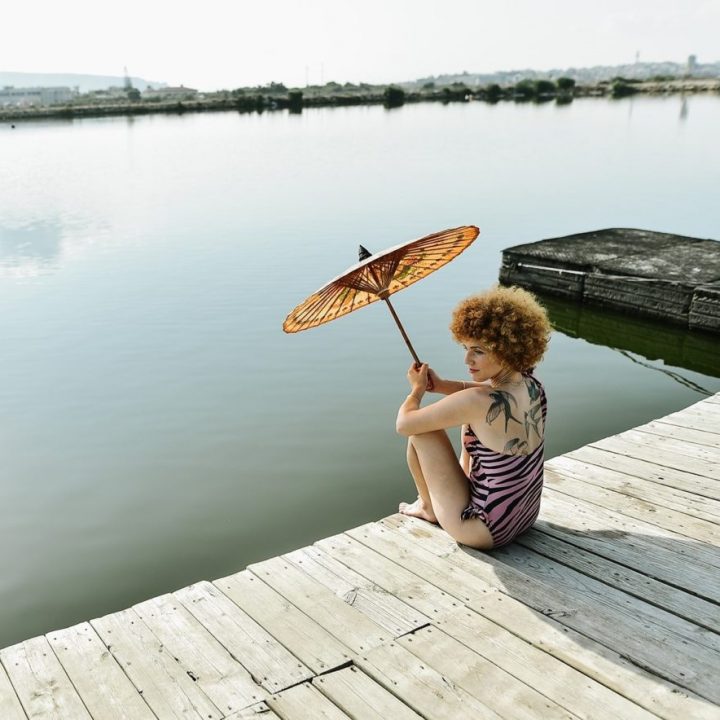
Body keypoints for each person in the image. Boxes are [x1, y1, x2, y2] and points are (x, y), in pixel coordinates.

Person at [396, 285, 551, 550]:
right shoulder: (532, 385)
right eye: (466, 348)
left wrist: (417, 391)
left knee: (422, 431)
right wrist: (443, 385)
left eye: (478, 350)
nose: (467, 358)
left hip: (482, 529)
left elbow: (405, 424)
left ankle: (427, 506)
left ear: (507, 348)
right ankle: (433, 504)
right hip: (523, 516)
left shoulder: (477, 403)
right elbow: (489, 394)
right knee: (458, 424)